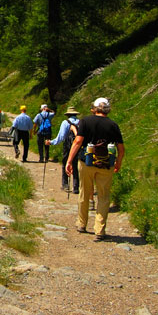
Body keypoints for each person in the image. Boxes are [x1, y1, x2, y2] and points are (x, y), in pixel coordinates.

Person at [66, 97, 125, 241]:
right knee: (104, 196)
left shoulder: (85, 121)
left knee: (84, 193)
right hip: (106, 163)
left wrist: (69, 160)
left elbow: (78, 141)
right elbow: (121, 148)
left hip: (86, 162)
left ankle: (81, 224)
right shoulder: (113, 125)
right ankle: (100, 230)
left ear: (94, 108)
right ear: (107, 109)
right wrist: (118, 162)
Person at [45, 107, 81, 193]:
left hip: (68, 146)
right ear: (76, 114)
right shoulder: (80, 122)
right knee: (76, 165)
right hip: (78, 146)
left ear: (67, 115)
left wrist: (51, 142)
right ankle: (76, 187)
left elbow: (61, 137)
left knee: (65, 163)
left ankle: (65, 185)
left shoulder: (66, 122)